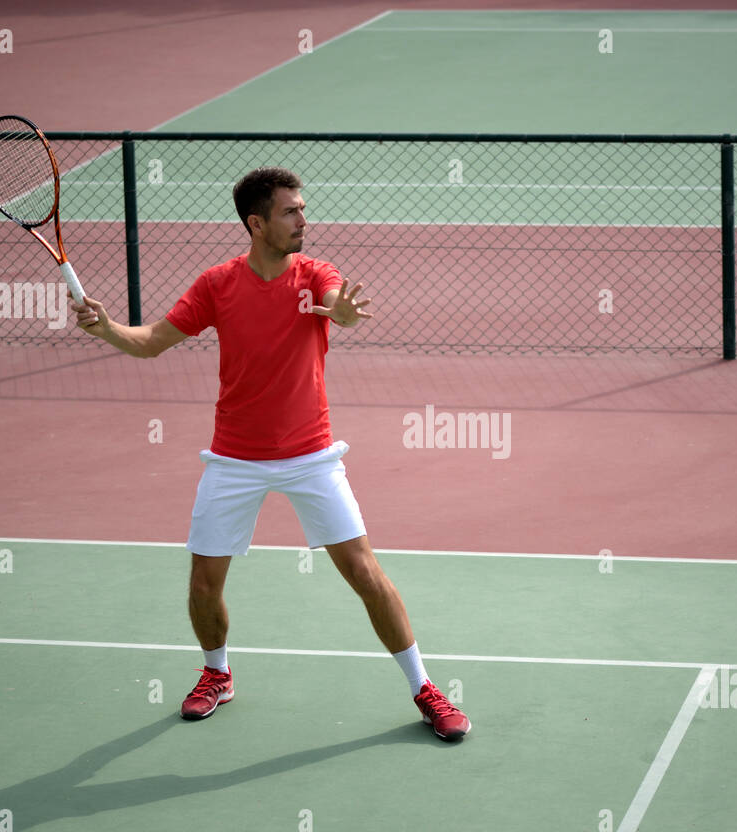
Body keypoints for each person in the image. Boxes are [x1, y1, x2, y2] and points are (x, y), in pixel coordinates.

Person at [70, 166, 470, 740]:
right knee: (204, 583)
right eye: (291, 211)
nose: (304, 219)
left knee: (364, 572)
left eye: (303, 208)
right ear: (257, 223)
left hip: (311, 454)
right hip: (234, 458)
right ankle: (217, 675)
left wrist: (344, 313)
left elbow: (337, 304)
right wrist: (108, 328)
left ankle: (424, 688)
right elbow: (153, 341)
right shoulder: (217, 284)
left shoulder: (316, 274)